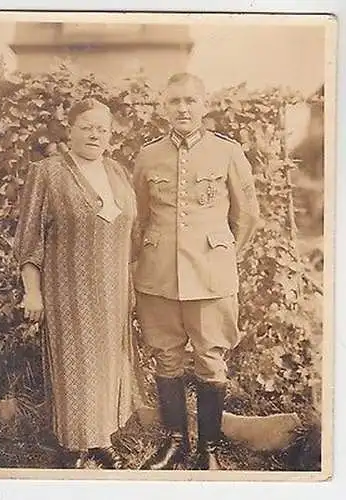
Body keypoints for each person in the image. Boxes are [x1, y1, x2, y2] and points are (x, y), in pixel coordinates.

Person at [132, 73, 260, 470]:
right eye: (174, 102)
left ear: (204, 105)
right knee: (166, 358)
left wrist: (222, 257)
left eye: (190, 101)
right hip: (158, 276)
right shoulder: (148, 156)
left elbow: (248, 216)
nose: (183, 108)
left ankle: (209, 448)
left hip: (210, 277)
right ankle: (174, 443)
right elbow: (139, 219)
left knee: (211, 359)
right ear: (163, 107)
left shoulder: (227, 153)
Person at [14, 98, 142, 469]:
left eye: (102, 128)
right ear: (69, 130)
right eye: (86, 126)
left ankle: (101, 441)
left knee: (107, 366)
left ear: (110, 135)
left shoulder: (117, 172)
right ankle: (73, 449)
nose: (94, 134)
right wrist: (32, 291)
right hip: (67, 291)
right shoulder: (48, 172)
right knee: (74, 367)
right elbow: (29, 238)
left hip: (114, 292)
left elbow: (131, 234)